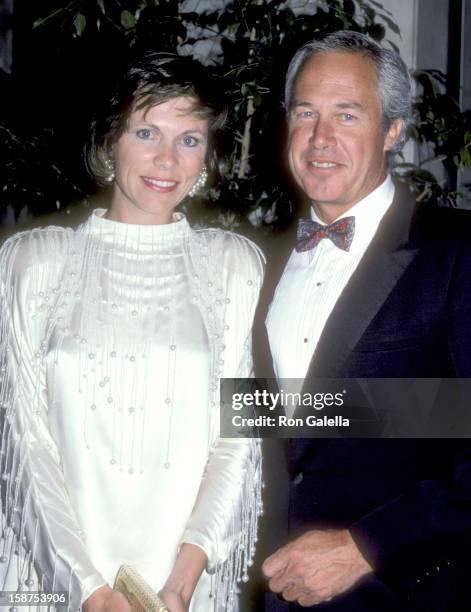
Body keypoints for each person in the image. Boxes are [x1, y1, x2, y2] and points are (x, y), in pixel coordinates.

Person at [0, 51, 263, 612]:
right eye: (146, 132)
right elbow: (23, 441)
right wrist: (89, 590)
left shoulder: (234, 266)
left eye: (189, 139)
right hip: (58, 581)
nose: (167, 158)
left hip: (183, 586)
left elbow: (238, 435)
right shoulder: (32, 262)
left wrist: (181, 581)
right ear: (108, 144)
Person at [254, 30, 471, 610]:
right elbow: (266, 428)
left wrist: (367, 546)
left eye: (347, 116)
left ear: (393, 131)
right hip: (274, 592)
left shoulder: (456, 252)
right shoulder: (259, 265)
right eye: (306, 113)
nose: (321, 138)